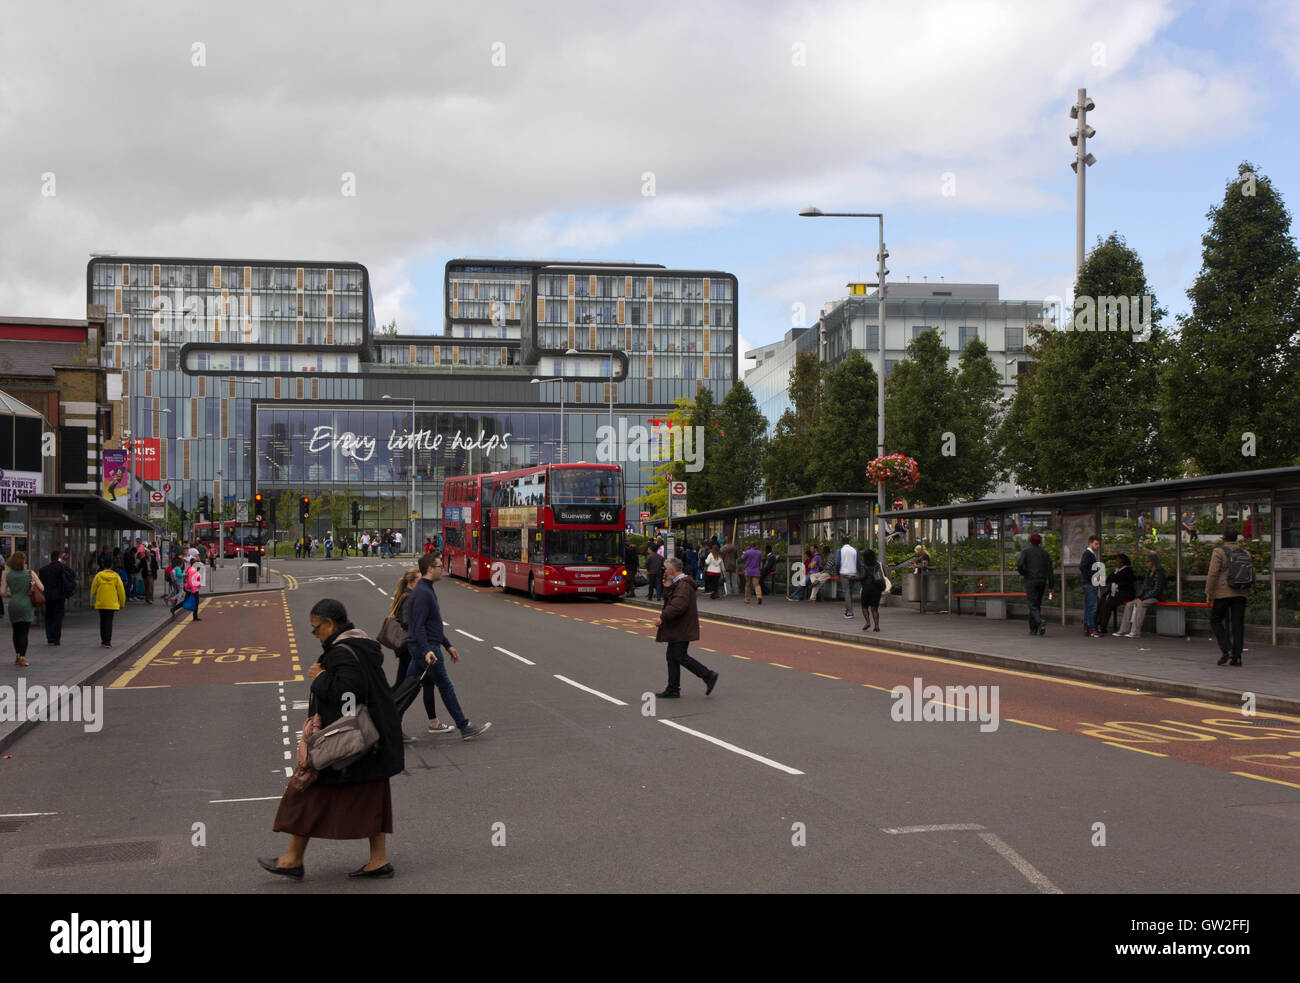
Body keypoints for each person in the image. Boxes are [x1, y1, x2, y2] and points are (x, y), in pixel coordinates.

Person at [261, 598, 404, 880]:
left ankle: (292, 859)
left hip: (348, 746)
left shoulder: (341, 652)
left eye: (316, 629)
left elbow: (350, 696)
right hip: (370, 742)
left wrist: (320, 678)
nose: (316, 635)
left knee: (306, 790)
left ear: (330, 623)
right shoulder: (361, 644)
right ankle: (377, 860)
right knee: (371, 797)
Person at [404, 553, 490, 741]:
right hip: (426, 649)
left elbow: (432, 624)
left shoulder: (426, 590)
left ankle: (390, 723)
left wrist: (448, 645)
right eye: (439, 566)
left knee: (408, 688)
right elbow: (418, 626)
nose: (442, 568)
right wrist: (427, 650)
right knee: (445, 686)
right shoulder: (423, 593)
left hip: (425, 647)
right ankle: (464, 726)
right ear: (429, 569)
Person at [654, 557, 718, 699]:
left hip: (682, 626)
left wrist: (662, 617)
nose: (664, 571)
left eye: (666, 569)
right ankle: (673, 688)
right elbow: (669, 600)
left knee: (678, 656)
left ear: (671, 570)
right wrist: (667, 585)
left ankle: (707, 675)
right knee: (672, 656)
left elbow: (677, 606)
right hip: (678, 626)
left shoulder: (684, 585)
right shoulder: (677, 583)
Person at [1206, 529, 1251, 666]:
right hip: (1241, 593)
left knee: (1215, 620)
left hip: (1223, 592)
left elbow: (1213, 573)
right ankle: (1237, 657)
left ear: (1224, 537)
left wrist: (1209, 592)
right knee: (1238, 624)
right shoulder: (1245, 552)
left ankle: (1227, 649)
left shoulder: (1219, 552)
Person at [3, 552, 43, 667]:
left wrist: (12, 594)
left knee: (16, 630)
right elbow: (42, 587)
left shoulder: (7, 574)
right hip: (26, 604)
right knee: (24, 632)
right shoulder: (30, 573)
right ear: (23, 561)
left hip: (14, 604)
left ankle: (17, 655)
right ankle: (22, 657)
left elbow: (2, 592)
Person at [1115, 553, 1166, 638]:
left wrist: (1142, 599)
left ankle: (1135, 632)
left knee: (1141, 605)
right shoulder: (1148, 572)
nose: (1146, 563)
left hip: (1156, 597)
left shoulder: (1159, 573)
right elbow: (1144, 587)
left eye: (1148, 561)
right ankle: (1123, 630)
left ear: (1153, 562)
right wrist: (1138, 597)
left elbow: (1157, 590)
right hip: (1146, 596)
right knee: (1129, 604)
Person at [386, 568, 420, 686]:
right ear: (411, 582)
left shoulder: (406, 594)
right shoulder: (409, 597)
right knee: (403, 683)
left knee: (403, 681)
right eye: (419, 581)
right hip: (407, 645)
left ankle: (390, 701)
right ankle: (390, 703)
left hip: (405, 646)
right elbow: (406, 622)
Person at [1016, 533, 1054, 636]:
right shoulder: (1045, 554)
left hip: (1031, 580)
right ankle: (1033, 629)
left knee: (1032, 604)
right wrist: (1051, 585)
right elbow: (1050, 570)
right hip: (1042, 581)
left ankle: (1040, 621)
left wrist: (1024, 573)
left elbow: (1019, 564)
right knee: (1037, 604)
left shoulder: (1026, 552)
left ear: (1030, 541)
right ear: (1040, 542)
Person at [37, 551, 76, 646]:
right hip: (59, 596)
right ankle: (56, 638)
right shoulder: (62, 567)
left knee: (49, 616)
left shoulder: (43, 570)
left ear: (51, 558)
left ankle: (50, 637)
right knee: (58, 617)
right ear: (58, 557)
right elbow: (72, 574)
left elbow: (40, 584)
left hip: (48, 596)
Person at [90, 556, 126, 648]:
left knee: (102, 621)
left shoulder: (98, 576)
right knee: (109, 622)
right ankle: (108, 642)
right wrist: (122, 603)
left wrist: (92, 603)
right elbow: (121, 591)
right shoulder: (116, 576)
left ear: (103, 565)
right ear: (112, 565)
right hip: (112, 603)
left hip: (101, 603)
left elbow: (93, 590)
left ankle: (103, 640)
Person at [1095, 553, 1135, 634]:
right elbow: (1109, 579)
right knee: (1101, 601)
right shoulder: (1117, 570)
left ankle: (1103, 627)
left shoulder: (1128, 570)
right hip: (1115, 593)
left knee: (1107, 604)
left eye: (1117, 560)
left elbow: (1117, 579)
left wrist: (1115, 581)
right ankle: (1096, 623)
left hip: (1124, 594)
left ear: (1122, 562)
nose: (1116, 562)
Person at [1080, 534, 1102, 638]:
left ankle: (1087, 627)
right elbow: (1083, 567)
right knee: (1092, 606)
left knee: (1088, 606)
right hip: (1089, 583)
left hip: (1088, 583)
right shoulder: (1088, 554)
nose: (1098, 546)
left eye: (1098, 544)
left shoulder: (1090, 554)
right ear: (1090, 543)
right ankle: (1092, 628)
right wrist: (1093, 578)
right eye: (1096, 544)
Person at [170, 557, 203, 621]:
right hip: (193, 589)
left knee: (185, 601)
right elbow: (190, 580)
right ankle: (195, 617)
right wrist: (193, 589)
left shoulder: (191, 569)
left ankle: (173, 609)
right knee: (196, 602)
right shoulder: (192, 571)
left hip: (191, 588)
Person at [860, 546, 884, 632]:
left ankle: (868, 622)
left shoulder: (863, 565)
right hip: (876, 588)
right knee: (874, 608)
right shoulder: (877, 564)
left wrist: (853, 579)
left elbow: (862, 577)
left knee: (864, 606)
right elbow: (882, 575)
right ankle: (877, 625)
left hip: (866, 588)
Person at [837, 534, 859, 620]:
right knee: (849, 593)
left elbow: (838, 563)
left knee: (846, 592)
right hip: (853, 574)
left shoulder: (840, 550)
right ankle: (847, 610)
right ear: (849, 542)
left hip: (844, 574)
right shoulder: (854, 550)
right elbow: (859, 563)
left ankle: (850, 612)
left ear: (842, 543)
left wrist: (837, 573)